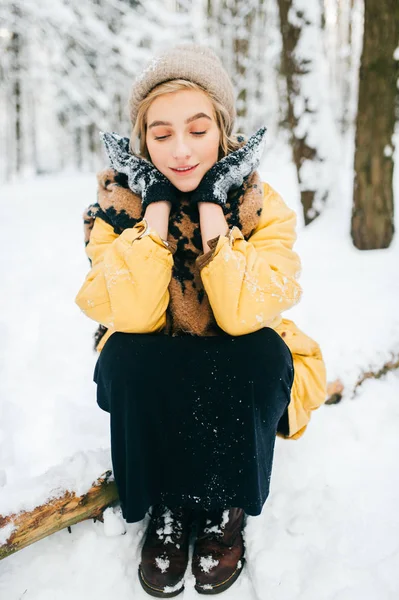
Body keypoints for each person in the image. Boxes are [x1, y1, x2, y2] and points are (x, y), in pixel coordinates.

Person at [75, 44, 327, 597]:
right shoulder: (115, 211)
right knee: (124, 354)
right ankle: (165, 502)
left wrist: (213, 208)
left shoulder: (261, 205)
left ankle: (223, 504)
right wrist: (157, 210)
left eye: (197, 129)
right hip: (159, 361)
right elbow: (135, 317)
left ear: (222, 130)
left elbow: (241, 317)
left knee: (258, 353)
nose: (182, 150)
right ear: (142, 143)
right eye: (161, 135)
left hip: (237, 364)